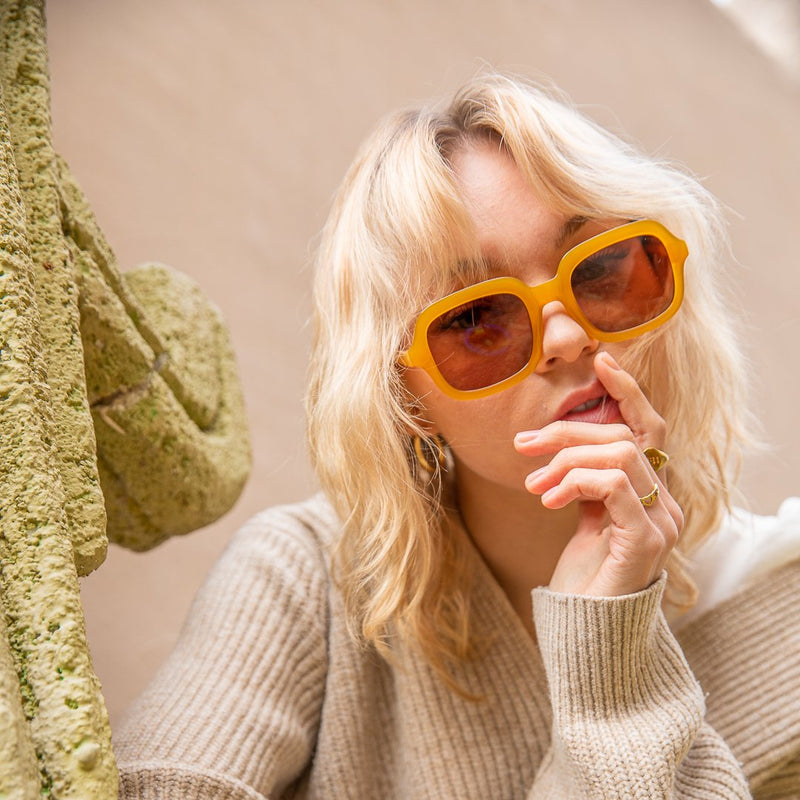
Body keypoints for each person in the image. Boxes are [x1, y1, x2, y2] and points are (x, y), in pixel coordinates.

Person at [114, 72, 800, 798]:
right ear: (403, 397)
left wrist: (609, 649)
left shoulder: (779, 619)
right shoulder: (303, 583)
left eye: (601, 270)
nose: (566, 337)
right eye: (477, 320)